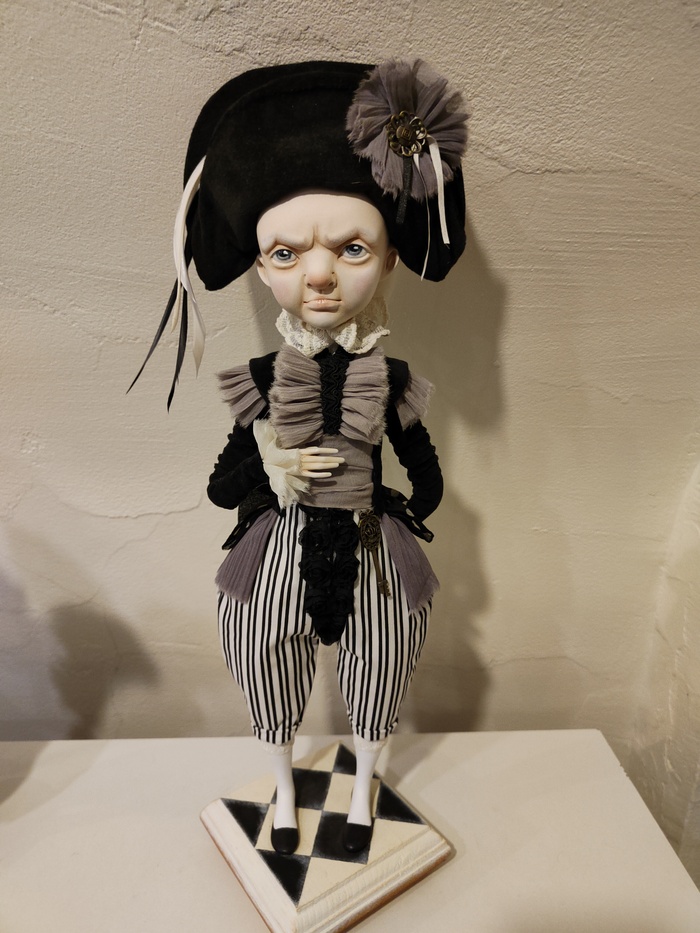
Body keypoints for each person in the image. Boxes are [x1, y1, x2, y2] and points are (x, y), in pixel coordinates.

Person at [134, 59, 467, 855]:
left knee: (387, 652)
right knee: (257, 642)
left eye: (351, 248)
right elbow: (223, 486)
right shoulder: (260, 381)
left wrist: (403, 511)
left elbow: (425, 474)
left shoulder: (390, 380)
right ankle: (282, 793)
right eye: (286, 254)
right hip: (279, 542)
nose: (319, 275)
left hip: (368, 542)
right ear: (259, 263)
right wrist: (269, 461)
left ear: (390, 257)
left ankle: (364, 788)